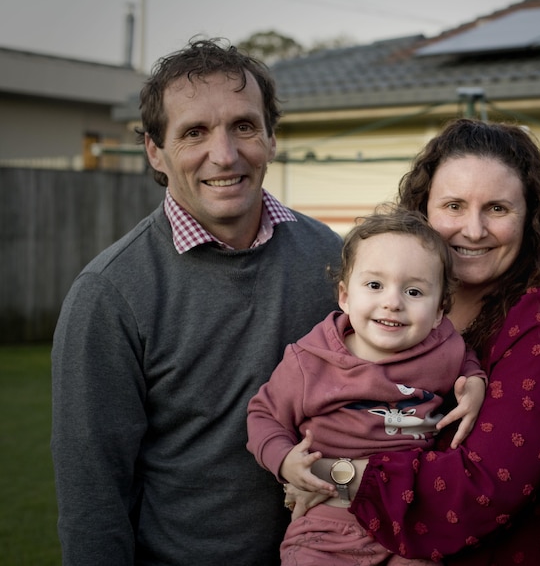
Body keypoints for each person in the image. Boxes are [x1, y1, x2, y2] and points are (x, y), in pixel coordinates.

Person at [50, 38, 343, 566]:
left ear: (272, 138)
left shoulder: (332, 259)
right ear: (154, 151)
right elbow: (92, 497)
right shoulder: (109, 295)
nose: (225, 155)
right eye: (194, 133)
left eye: (244, 126)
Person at [286, 118, 540, 565]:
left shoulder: (537, 320)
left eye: (498, 209)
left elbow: (488, 486)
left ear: (531, 220)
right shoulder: (385, 311)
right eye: (454, 206)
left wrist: (333, 475)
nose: (474, 229)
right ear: (423, 211)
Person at [247, 205, 488, 565]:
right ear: (345, 296)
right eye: (375, 285)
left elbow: (466, 361)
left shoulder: (443, 349)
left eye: (414, 292)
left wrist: (475, 384)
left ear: (440, 311)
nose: (392, 302)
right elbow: (263, 415)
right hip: (327, 524)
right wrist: (283, 460)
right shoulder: (309, 361)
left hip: (409, 522)